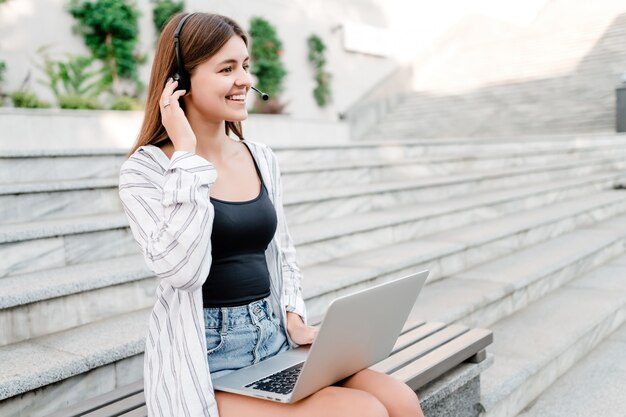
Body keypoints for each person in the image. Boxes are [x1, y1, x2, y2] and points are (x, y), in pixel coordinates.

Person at [118, 11, 425, 417]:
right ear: (179, 81)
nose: (244, 79)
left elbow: (282, 252)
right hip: (208, 363)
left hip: (274, 338)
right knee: (361, 411)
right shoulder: (147, 171)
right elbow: (180, 270)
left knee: (399, 398)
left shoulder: (260, 157)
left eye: (244, 65)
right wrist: (187, 157)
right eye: (226, 68)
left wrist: (294, 317)